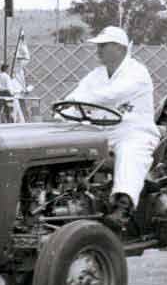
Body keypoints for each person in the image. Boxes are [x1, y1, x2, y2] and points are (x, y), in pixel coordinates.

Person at [67, 25, 160, 232]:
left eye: (103, 45)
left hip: (133, 131)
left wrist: (78, 101)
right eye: (97, 46)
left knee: (130, 152)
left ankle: (122, 207)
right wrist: (62, 112)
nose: (98, 50)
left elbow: (110, 95)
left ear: (120, 48)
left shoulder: (137, 72)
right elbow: (75, 96)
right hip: (100, 132)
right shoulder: (96, 75)